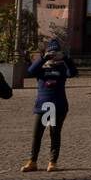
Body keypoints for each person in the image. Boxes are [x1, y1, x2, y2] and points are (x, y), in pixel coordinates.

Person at [22, 39, 78, 172]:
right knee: (37, 134)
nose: (52, 55)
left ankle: (52, 162)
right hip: (43, 106)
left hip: (58, 106)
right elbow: (30, 71)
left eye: (55, 52)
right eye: (50, 52)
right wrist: (42, 58)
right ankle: (32, 161)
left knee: (54, 133)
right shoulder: (41, 68)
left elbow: (73, 73)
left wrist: (65, 58)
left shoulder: (62, 68)